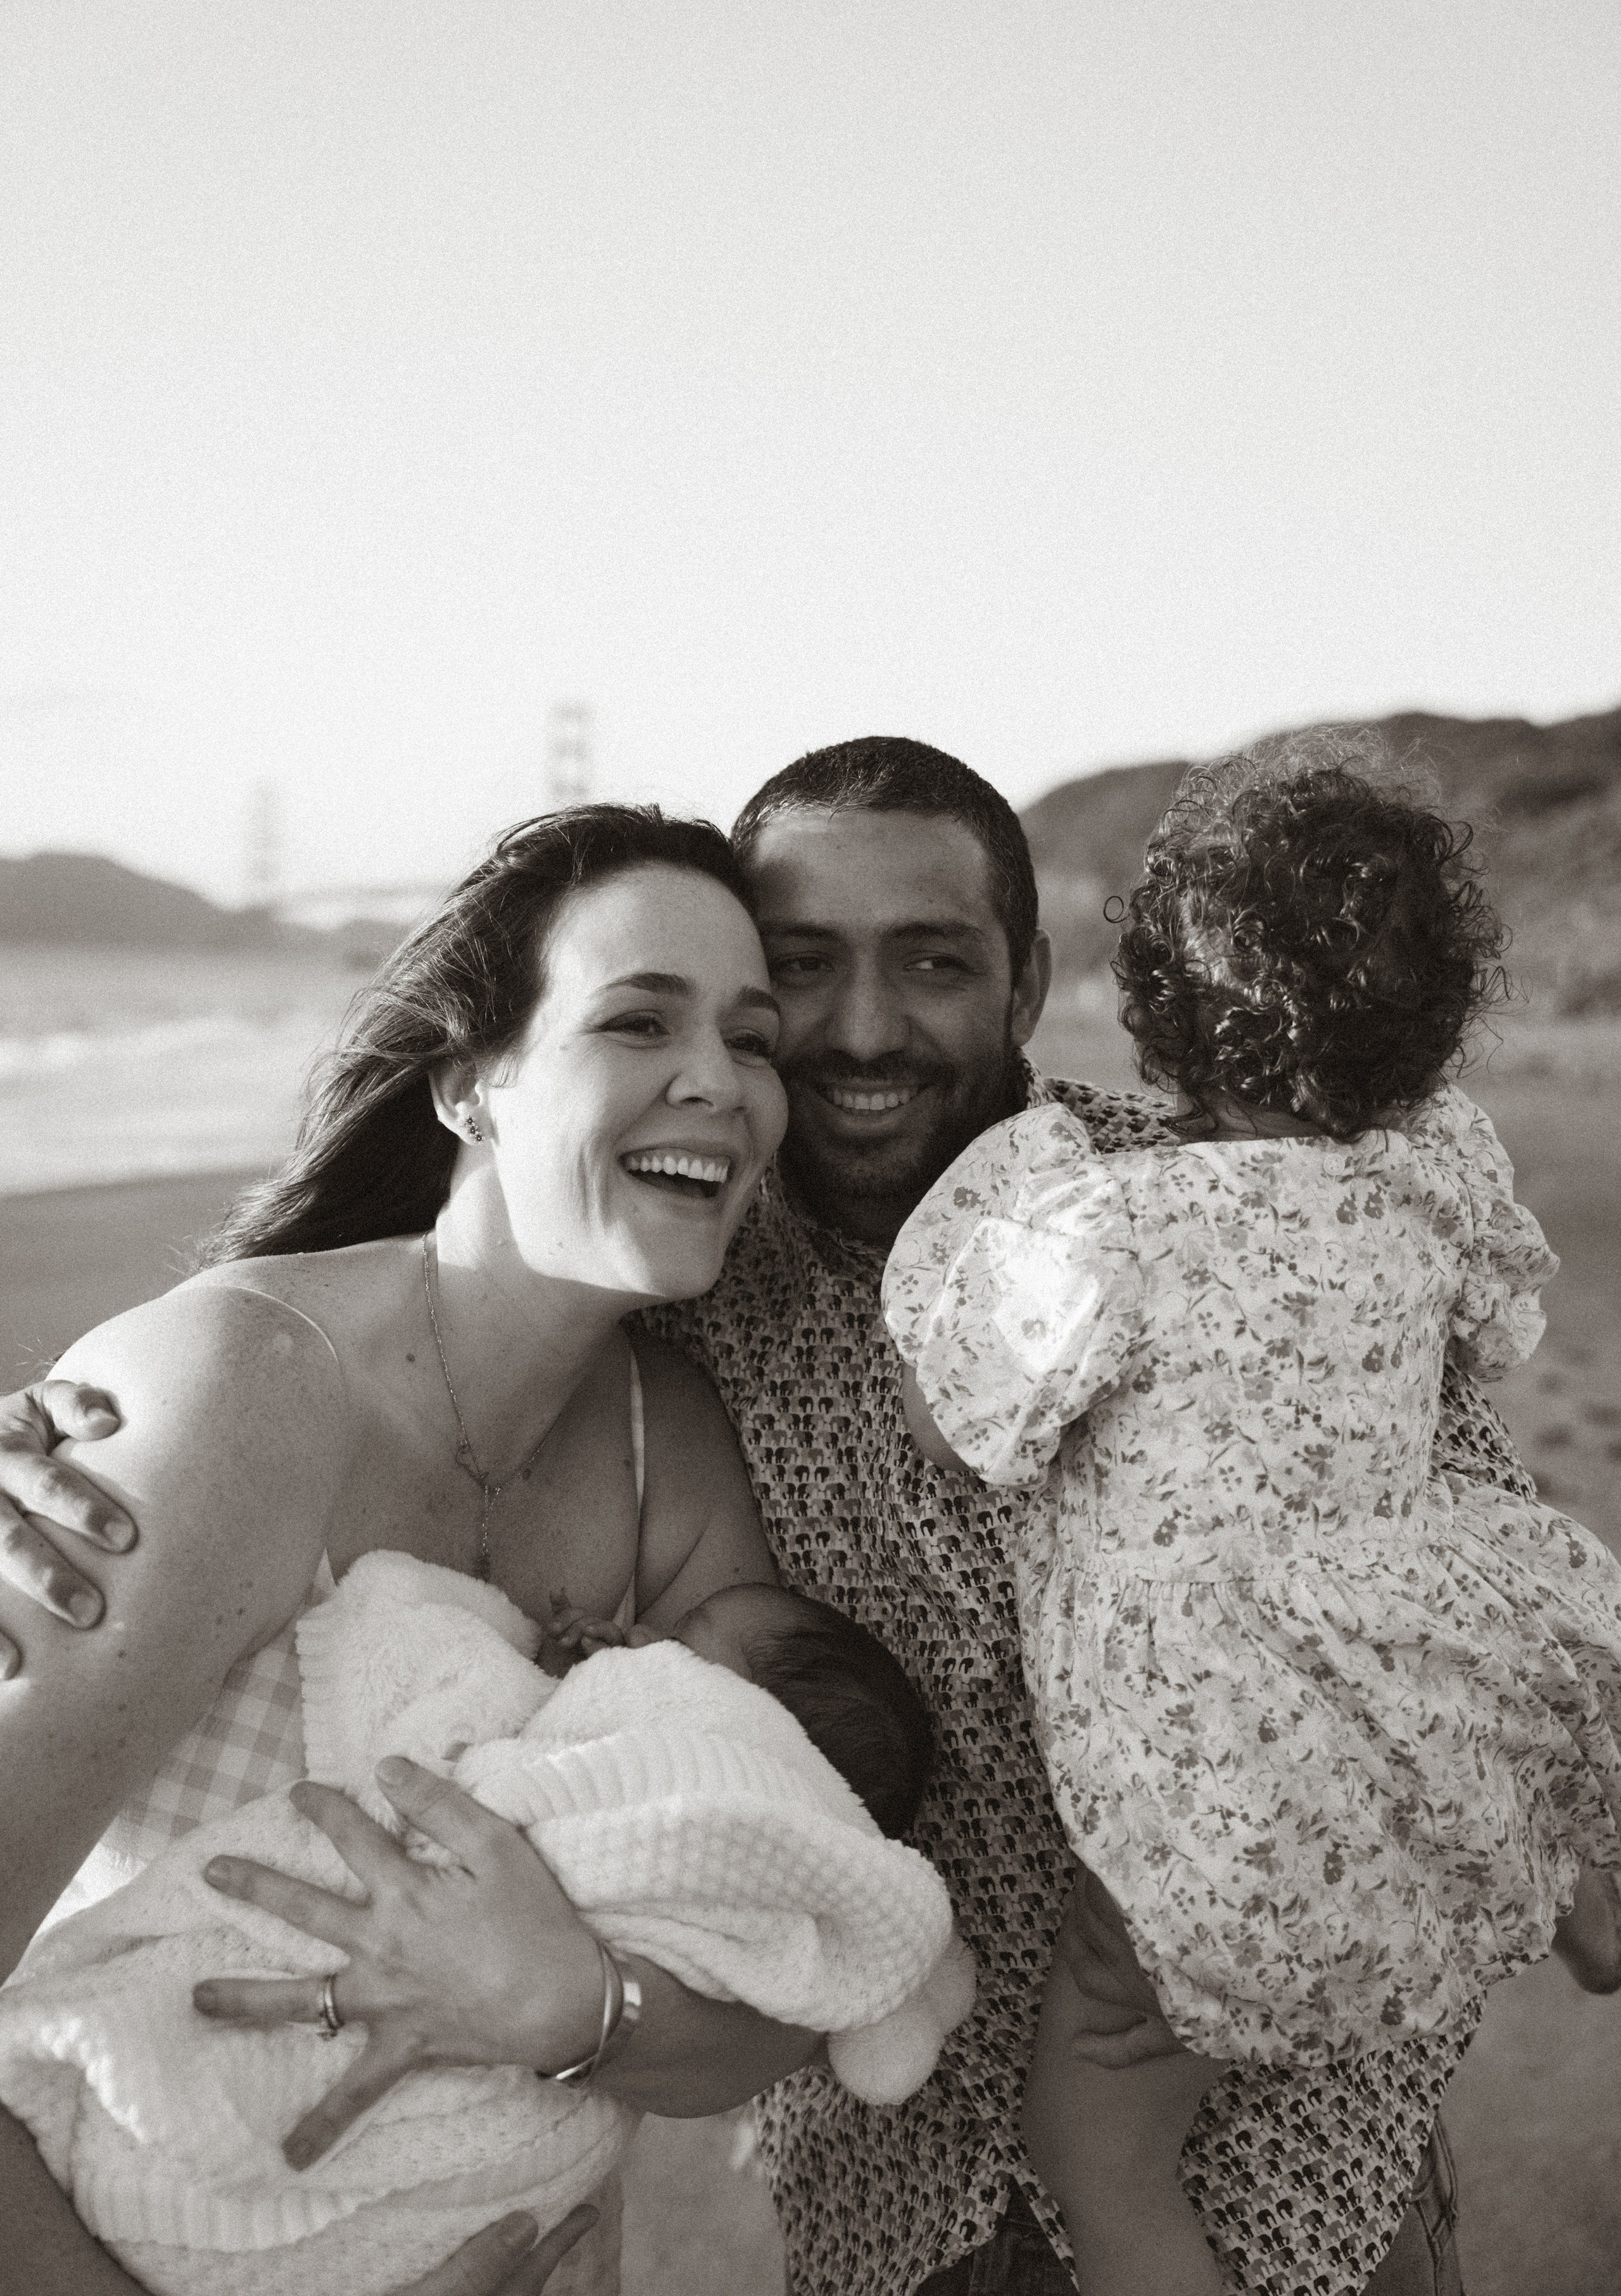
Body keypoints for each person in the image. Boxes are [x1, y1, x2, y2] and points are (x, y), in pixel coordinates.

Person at [0, 738, 1531, 2293]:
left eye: (931, 961)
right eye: (794, 974)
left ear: (1022, 983)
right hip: (896, 2214)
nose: (854, 1030)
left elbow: (1486, 1579)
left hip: (1276, 2178)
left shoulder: (1222, 1204)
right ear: (469, 1077)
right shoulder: (679, 1288)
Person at [0, 803, 845, 2296]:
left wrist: (573, 2009)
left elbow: (780, 1955)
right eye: (637, 1020)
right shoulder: (236, 1396)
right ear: (468, 1086)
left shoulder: (669, 1458)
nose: (716, 1080)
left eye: (752, 1037)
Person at [883, 748, 1621, 2295]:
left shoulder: (1114, 1227)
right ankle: (1575, 1890)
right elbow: (1494, 1336)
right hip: (1393, 1741)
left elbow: (966, 1430)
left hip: (1206, 1794)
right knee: (1504, 1679)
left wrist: (970, 1240)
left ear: (1152, 1010)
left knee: (1094, 2139)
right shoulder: (1431, 1184)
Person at [1, 1548, 960, 2295]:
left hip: (492, 2152)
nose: (638, 1633)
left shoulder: (711, 1794)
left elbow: (482, 1745)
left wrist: (570, 1999)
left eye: (679, 1637)